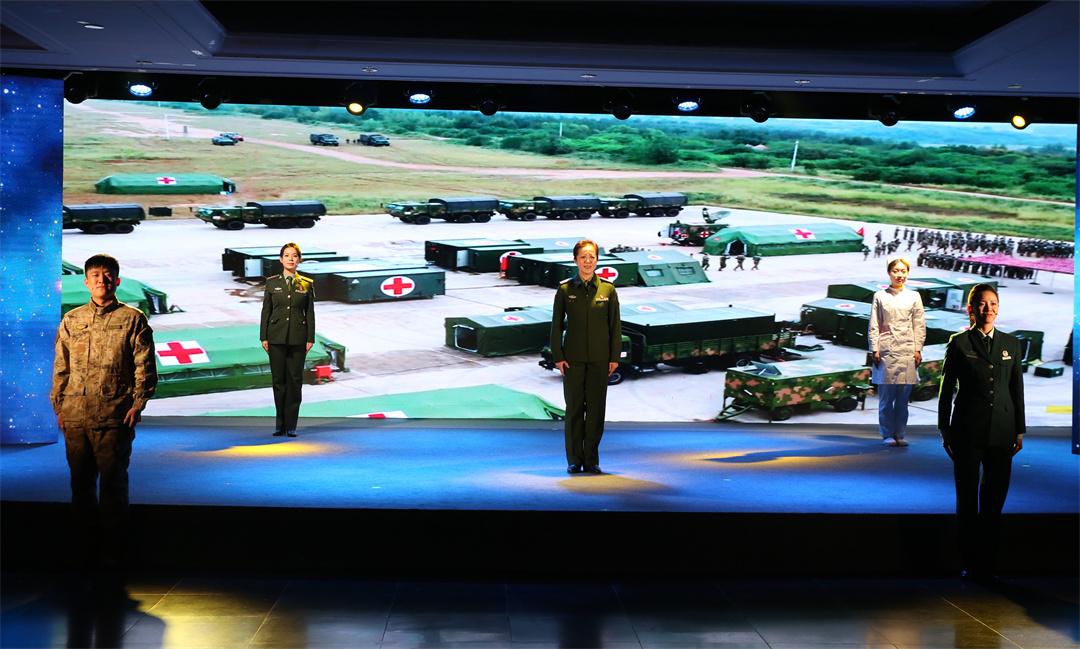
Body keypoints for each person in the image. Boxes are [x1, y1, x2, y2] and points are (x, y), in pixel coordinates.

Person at [51, 254, 157, 570]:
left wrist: (138, 403)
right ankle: (84, 550)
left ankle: (114, 552)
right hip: (76, 414)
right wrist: (59, 405)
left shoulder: (132, 319)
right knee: (80, 485)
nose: (101, 280)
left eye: (107, 274)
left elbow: (144, 364)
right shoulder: (72, 320)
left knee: (112, 484)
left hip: (114, 414)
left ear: (117, 281)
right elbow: (61, 366)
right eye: (95, 275)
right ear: (86, 281)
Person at [939, 284, 1025, 579]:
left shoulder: (1011, 344)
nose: (988, 308)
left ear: (998, 308)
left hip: (1002, 430)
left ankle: (987, 562)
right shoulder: (959, 343)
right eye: (982, 303)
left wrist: (1019, 430)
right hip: (967, 430)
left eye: (993, 303)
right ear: (971, 309)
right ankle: (968, 561)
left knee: (994, 499)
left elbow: (1016, 389)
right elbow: (946, 390)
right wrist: (945, 429)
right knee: (967, 498)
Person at [550, 239, 621, 475]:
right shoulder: (565, 290)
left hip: (600, 360)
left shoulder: (608, 290)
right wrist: (558, 356)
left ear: (597, 260)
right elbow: (556, 326)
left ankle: (591, 459)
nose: (588, 261)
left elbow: (615, 326)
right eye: (583, 257)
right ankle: (574, 460)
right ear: (575, 260)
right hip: (572, 360)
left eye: (592, 257)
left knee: (596, 411)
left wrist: (614, 357)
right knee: (574, 410)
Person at [260, 243, 316, 438]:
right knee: (278, 381)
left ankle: (291, 425)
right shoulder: (271, 283)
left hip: (298, 339)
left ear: (299, 259)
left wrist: (310, 338)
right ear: (280, 259)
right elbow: (266, 311)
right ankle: (280, 425)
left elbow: (310, 313)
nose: (290, 259)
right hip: (275, 337)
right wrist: (264, 336)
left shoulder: (306, 283)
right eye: (286, 255)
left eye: (294, 255)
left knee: (295, 381)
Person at [869, 257, 925, 446]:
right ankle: (887, 434)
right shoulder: (880, 296)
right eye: (896, 271)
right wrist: (874, 348)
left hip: (907, 351)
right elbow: (874, 324)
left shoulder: (914, 296)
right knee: (886, 399)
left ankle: (900, 433)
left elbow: (919, 325)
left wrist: (918, 348)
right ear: (889, 273)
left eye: (903, 271)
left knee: (902, 400)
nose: (900, 275)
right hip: (886, 351)